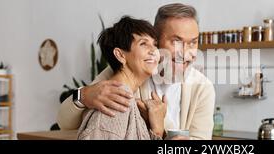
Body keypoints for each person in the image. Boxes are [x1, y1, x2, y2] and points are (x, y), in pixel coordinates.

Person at [58, 3, 215, 140]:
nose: (186, 52)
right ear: (157, 40)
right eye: (176, 41)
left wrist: (160, 129)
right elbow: (65, 123)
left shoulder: (202, 87)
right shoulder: (126, 73)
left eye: (193, 43)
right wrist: (84, 95)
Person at [78, 16, 165, 140]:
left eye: (154, 44)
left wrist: (157, 130)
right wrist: (157, 129)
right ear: (120, 55)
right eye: (143, 44)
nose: (154, 51)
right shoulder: (115, 104)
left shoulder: (125, 99)